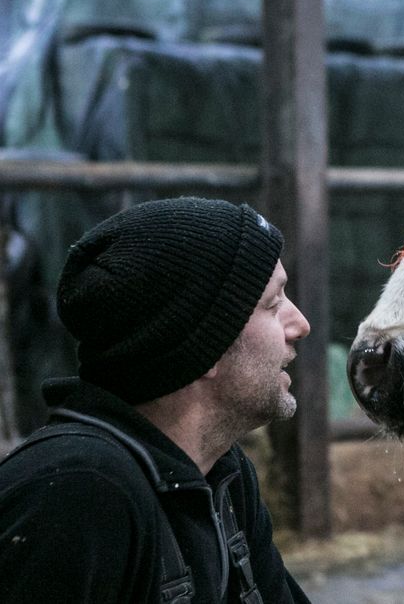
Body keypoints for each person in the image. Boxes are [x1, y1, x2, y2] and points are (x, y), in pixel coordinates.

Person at [0, 197, 313, 603]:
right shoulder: (78, 493)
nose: (300, 325)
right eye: (273, 304)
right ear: (207, 344)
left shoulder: (223, 475)